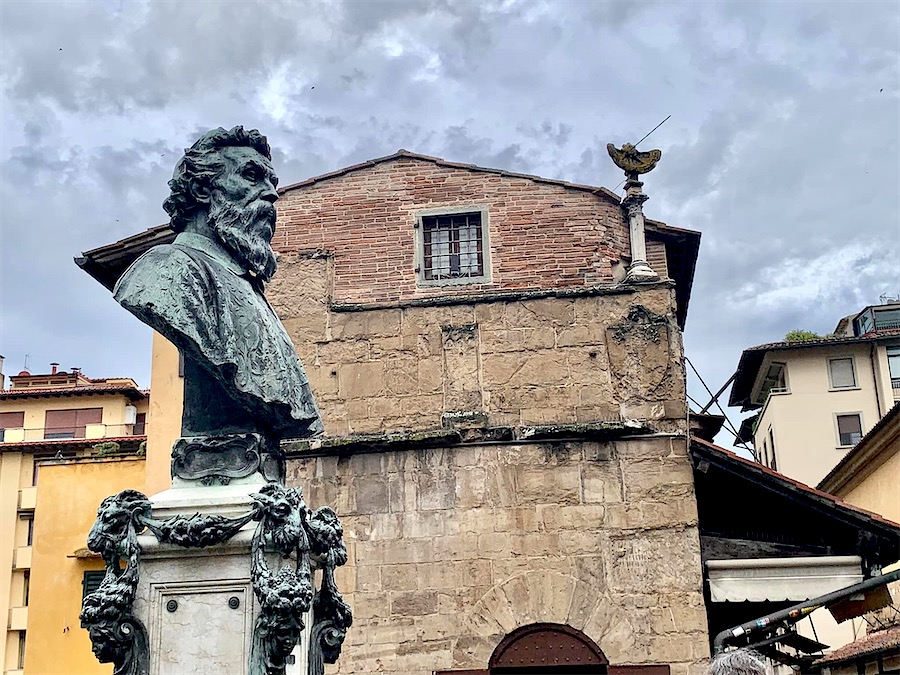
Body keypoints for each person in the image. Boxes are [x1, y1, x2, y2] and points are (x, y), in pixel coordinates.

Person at [114, 126, 323, 483]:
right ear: (201, 189)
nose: (271, 195)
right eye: (252, 176)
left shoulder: (249, 292)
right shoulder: (167, 270)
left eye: (271, 182)